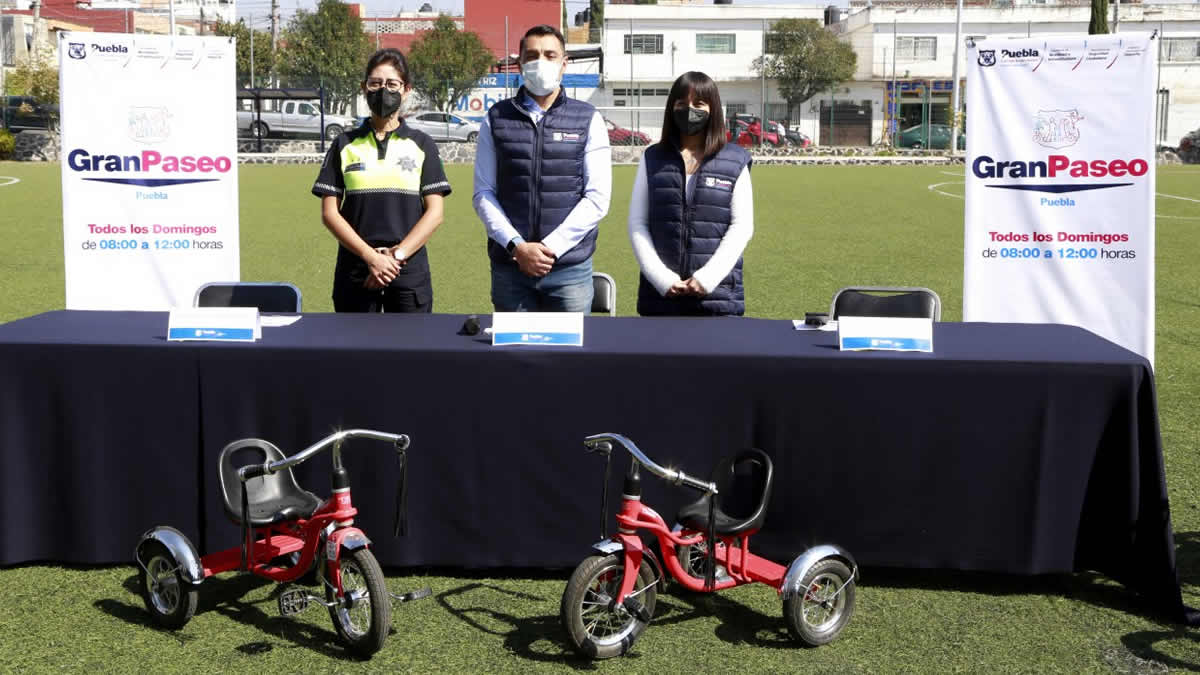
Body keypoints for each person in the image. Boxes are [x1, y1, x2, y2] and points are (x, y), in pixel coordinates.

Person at [473, 24, 611, 312]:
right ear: (521, 63)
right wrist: (517, 247)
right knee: (513, 355)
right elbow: (483, 193)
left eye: (550, 55)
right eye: (533, 55)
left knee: (571, 356)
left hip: (569, 271)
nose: (541, 62)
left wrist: (550, 249)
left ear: (564, 64)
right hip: (511, 269)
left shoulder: (587, 118)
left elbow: (597, 198)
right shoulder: (496, 118)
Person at [311, 48, 451, 313]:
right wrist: (370, 257)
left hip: (408, 271)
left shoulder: (423, 145)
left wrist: (394, 258)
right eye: (375, 83)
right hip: (356, 271)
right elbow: (330, 213)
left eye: (392, 84)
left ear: (406, 90)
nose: (383, 91)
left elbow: (435, 213)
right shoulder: (344, 144)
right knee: (356, 353)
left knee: (411, 352)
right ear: (364, 88)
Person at [628, 71, 754, 316]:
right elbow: (637, 223)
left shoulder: (735, 160)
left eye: (699, 104)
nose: (689, 110)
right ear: (671, 108)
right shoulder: (652, 157)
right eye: (681, 103)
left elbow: (742, 227)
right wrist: (662, 279)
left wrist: (707, 278)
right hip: (660, 297)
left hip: (718, 298)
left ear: (713, 109)